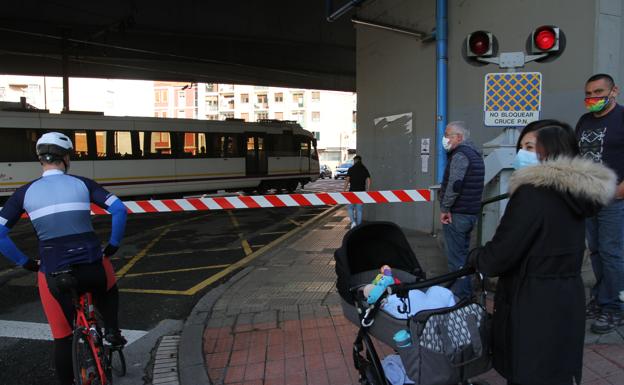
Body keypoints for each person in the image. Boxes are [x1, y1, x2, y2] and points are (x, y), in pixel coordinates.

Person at [469, 121, 617, 385]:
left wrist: (476, 257)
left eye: (529, 146)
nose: (521, 153)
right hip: (566, 298)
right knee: (556, 372)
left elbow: (500, 255)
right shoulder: (575, 193)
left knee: (530, 371)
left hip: (531, 302)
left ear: (550, 152)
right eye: (521, 146)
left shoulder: (532, 193)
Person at [0, 132, 128, 385]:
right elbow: (119, 209)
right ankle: (112, 332)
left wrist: (26, 263)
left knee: (62, 337)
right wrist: (112, 245)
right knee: (109, 287)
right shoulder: (83, 184)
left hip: (54, 272)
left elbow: (1, 234)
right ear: (66, 158)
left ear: (41, 160)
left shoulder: (24, 193)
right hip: (92, 266)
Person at [576, 73, 624, 333]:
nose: (593, 98)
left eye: (598, 92)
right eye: (589, 94)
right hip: (589, 197)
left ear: (613, 91)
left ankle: (615, 307)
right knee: (595, 251)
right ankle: (601, 297)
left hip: (613, 199)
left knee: (612, 252)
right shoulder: (584, 121)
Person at [439, 121, 484, 299]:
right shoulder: (475, 155)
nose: (445, 139)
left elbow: (455, 185)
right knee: (464, 257)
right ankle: (467, 291)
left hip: (457, 214)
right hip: (471, 213)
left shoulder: (460, 156)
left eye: (448, 135)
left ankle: (461, 297)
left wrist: (445, 208)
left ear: (459, 137)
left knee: (456, 259)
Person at [343, 155, 371, 229]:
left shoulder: (351, 169)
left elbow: (347, 180)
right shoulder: (364, 169)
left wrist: (344, 189)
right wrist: (367, 189)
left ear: (355, 160)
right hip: (361, 191)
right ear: (361, 160)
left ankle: (353, 222)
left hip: (352, 191)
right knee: (359, 209)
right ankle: (358, 225)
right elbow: (368, 180)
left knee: (350, 208)